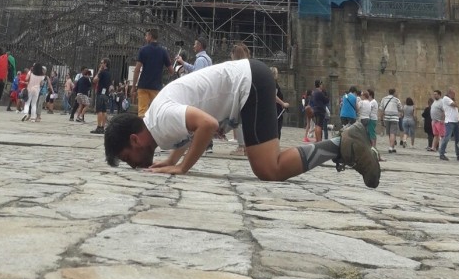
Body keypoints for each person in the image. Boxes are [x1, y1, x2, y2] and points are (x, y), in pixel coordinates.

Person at [105, 59, 380, 190]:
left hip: (249, 85)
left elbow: (207, 124)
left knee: (268, 168)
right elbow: (187, 132)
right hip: (250, 81)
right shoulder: (158, 126)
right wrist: (170, 160)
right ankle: (343, 146)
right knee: (268, 166)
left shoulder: (160, 118)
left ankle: (340, 145)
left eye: (128, 159)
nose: (134, 165)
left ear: (134, 140)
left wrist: (181, 167)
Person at [131, 29, 172, 118]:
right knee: (156, 111)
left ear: (150, 36)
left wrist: (134, 86)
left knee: (142, 111)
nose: (145, 38)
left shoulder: (143, 50)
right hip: (156, 86)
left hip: (143, 85)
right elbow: (171, 70)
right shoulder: (163, 51)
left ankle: (142, 129)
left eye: (146, 36)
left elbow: (137, 69)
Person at [438, 88, 459, 162]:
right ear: (449, 93)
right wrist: (454, 99)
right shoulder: (446, 98)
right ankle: (441, 153)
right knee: (447, 138)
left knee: (458, 139)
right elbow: (455, 105)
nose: (454, 95)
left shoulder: (451, 99)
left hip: (456, 122)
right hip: (450, 122)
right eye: (453, 94)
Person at [91, 58, 112, 134]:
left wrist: (99, 70)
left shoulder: (102, 72)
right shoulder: (109, 73)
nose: (100, 64)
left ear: (105, 64)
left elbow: (94, 80)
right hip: (106, 94)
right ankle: (103, 127)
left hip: (100, 93)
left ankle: (99, 127)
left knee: (99, 110)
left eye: (101, 62)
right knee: (104, 111)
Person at [379, 88, 402, 153]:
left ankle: (392, 146)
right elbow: (400, 108)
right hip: (394, 118)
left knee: (389, 133)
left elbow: (381, 109)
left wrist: (381, 119)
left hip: (386, 118)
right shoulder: (396, 100)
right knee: (393, 133)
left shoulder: (384, 99)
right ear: (394, 93)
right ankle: (391, 147)